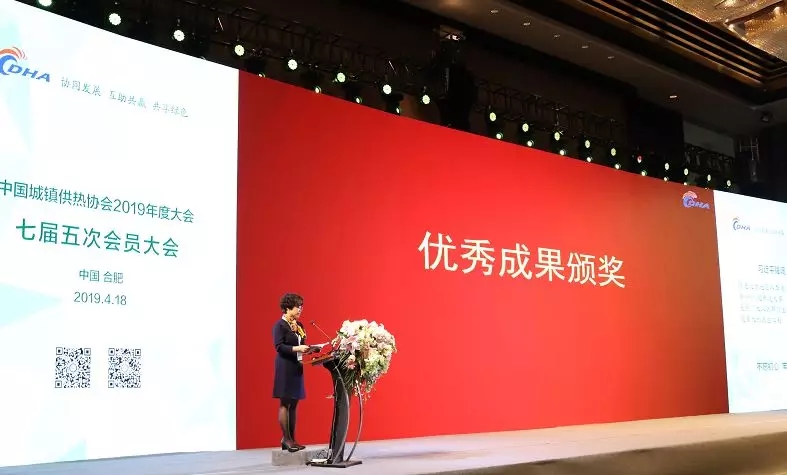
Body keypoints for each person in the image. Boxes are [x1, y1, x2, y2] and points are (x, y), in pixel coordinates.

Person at [272, 293, 312, 452]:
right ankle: (286, 439)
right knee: (285, 402)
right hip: (285, 366)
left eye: (301, 306)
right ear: (288, 308)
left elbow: (303, 343)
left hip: (297, 365)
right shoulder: (280, 326)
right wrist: (297, 348)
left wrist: (308, 348)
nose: (300, 309)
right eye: (297, 307)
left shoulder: (298, 325)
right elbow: (279, 347)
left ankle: (292, 439)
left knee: (294, 403)